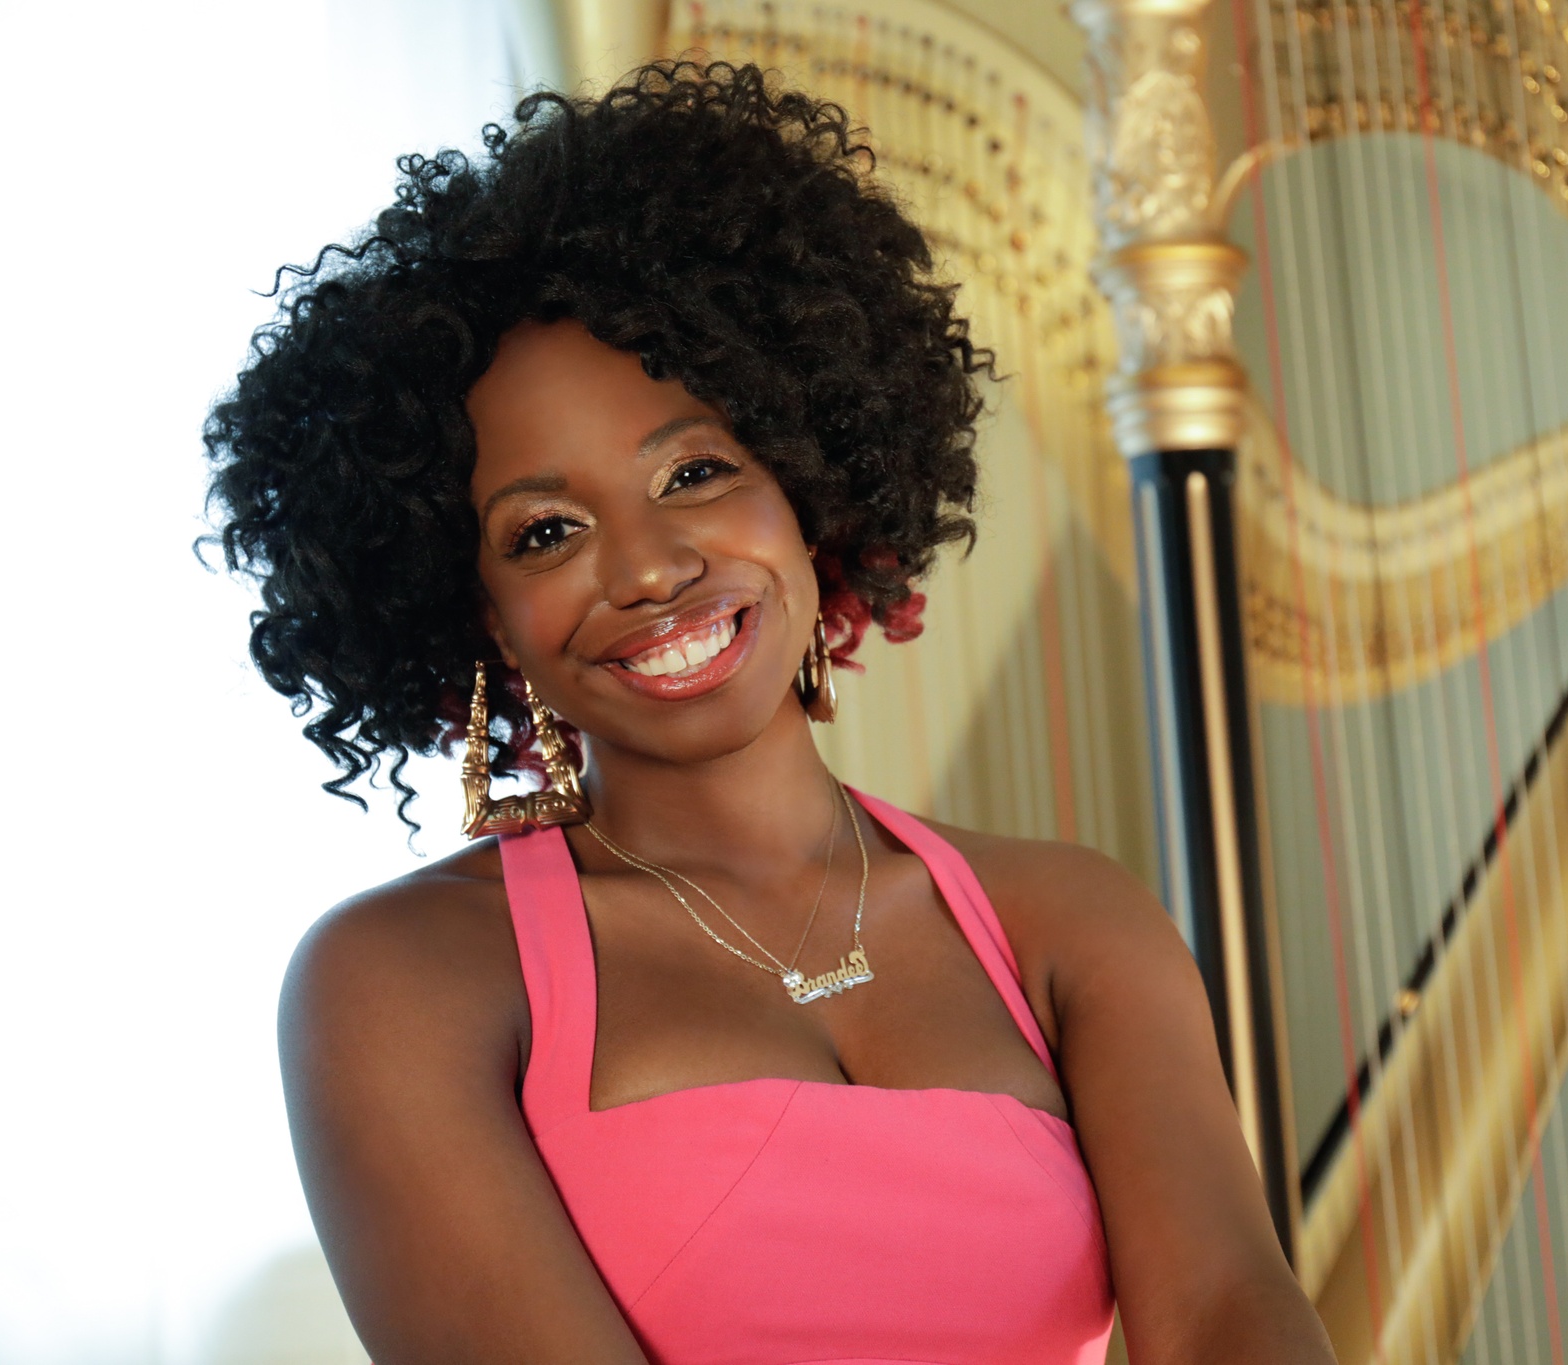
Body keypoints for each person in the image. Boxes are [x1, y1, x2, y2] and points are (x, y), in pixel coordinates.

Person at [205, 60, 1334, 1365]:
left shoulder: (1069, 919)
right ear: (477, 617)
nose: (645, 566)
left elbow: (1226, 1318)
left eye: (695, 470)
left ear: (810, 485)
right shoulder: (405, 984)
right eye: (545, 530)